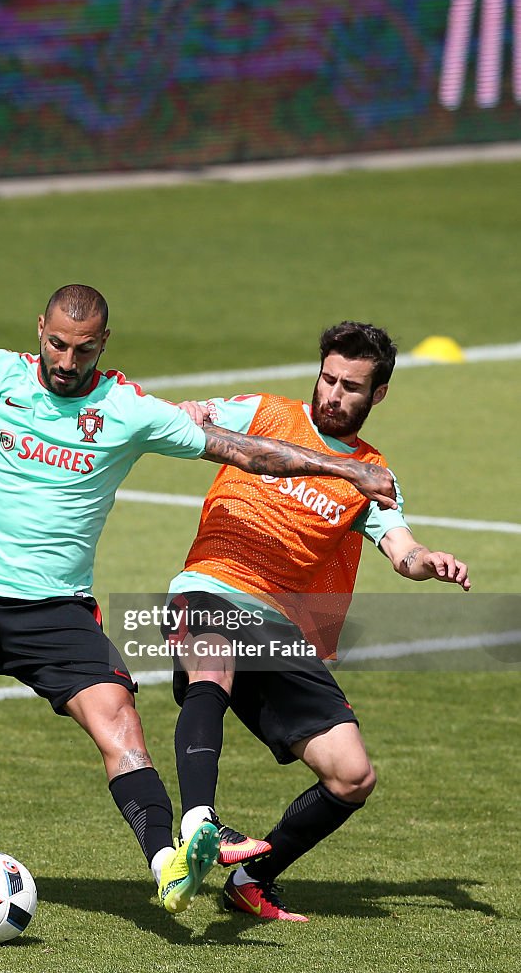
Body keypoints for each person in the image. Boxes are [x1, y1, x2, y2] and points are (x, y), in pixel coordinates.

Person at [0, 289, 396, 917]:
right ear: (40, 332)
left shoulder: (127, 409)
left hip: (57, 613)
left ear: (102, 344)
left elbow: (244, 450)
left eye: (82, 349)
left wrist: (343, 470)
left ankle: (167, 864)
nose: (67, 360)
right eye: (56, 343)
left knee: (122, 727)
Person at [163, 321, 470, 921]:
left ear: (377, 395)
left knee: (353, 775)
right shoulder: (266, 414)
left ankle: (252, 876)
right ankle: (200, 826)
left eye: (350, 387)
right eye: (327, 378)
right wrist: (195, 408)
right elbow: (194, 416)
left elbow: (400, 548)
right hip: (211, 585)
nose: (332, 394)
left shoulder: (373, 475)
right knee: (212, 667)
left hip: (279, 626)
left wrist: (425, 561)